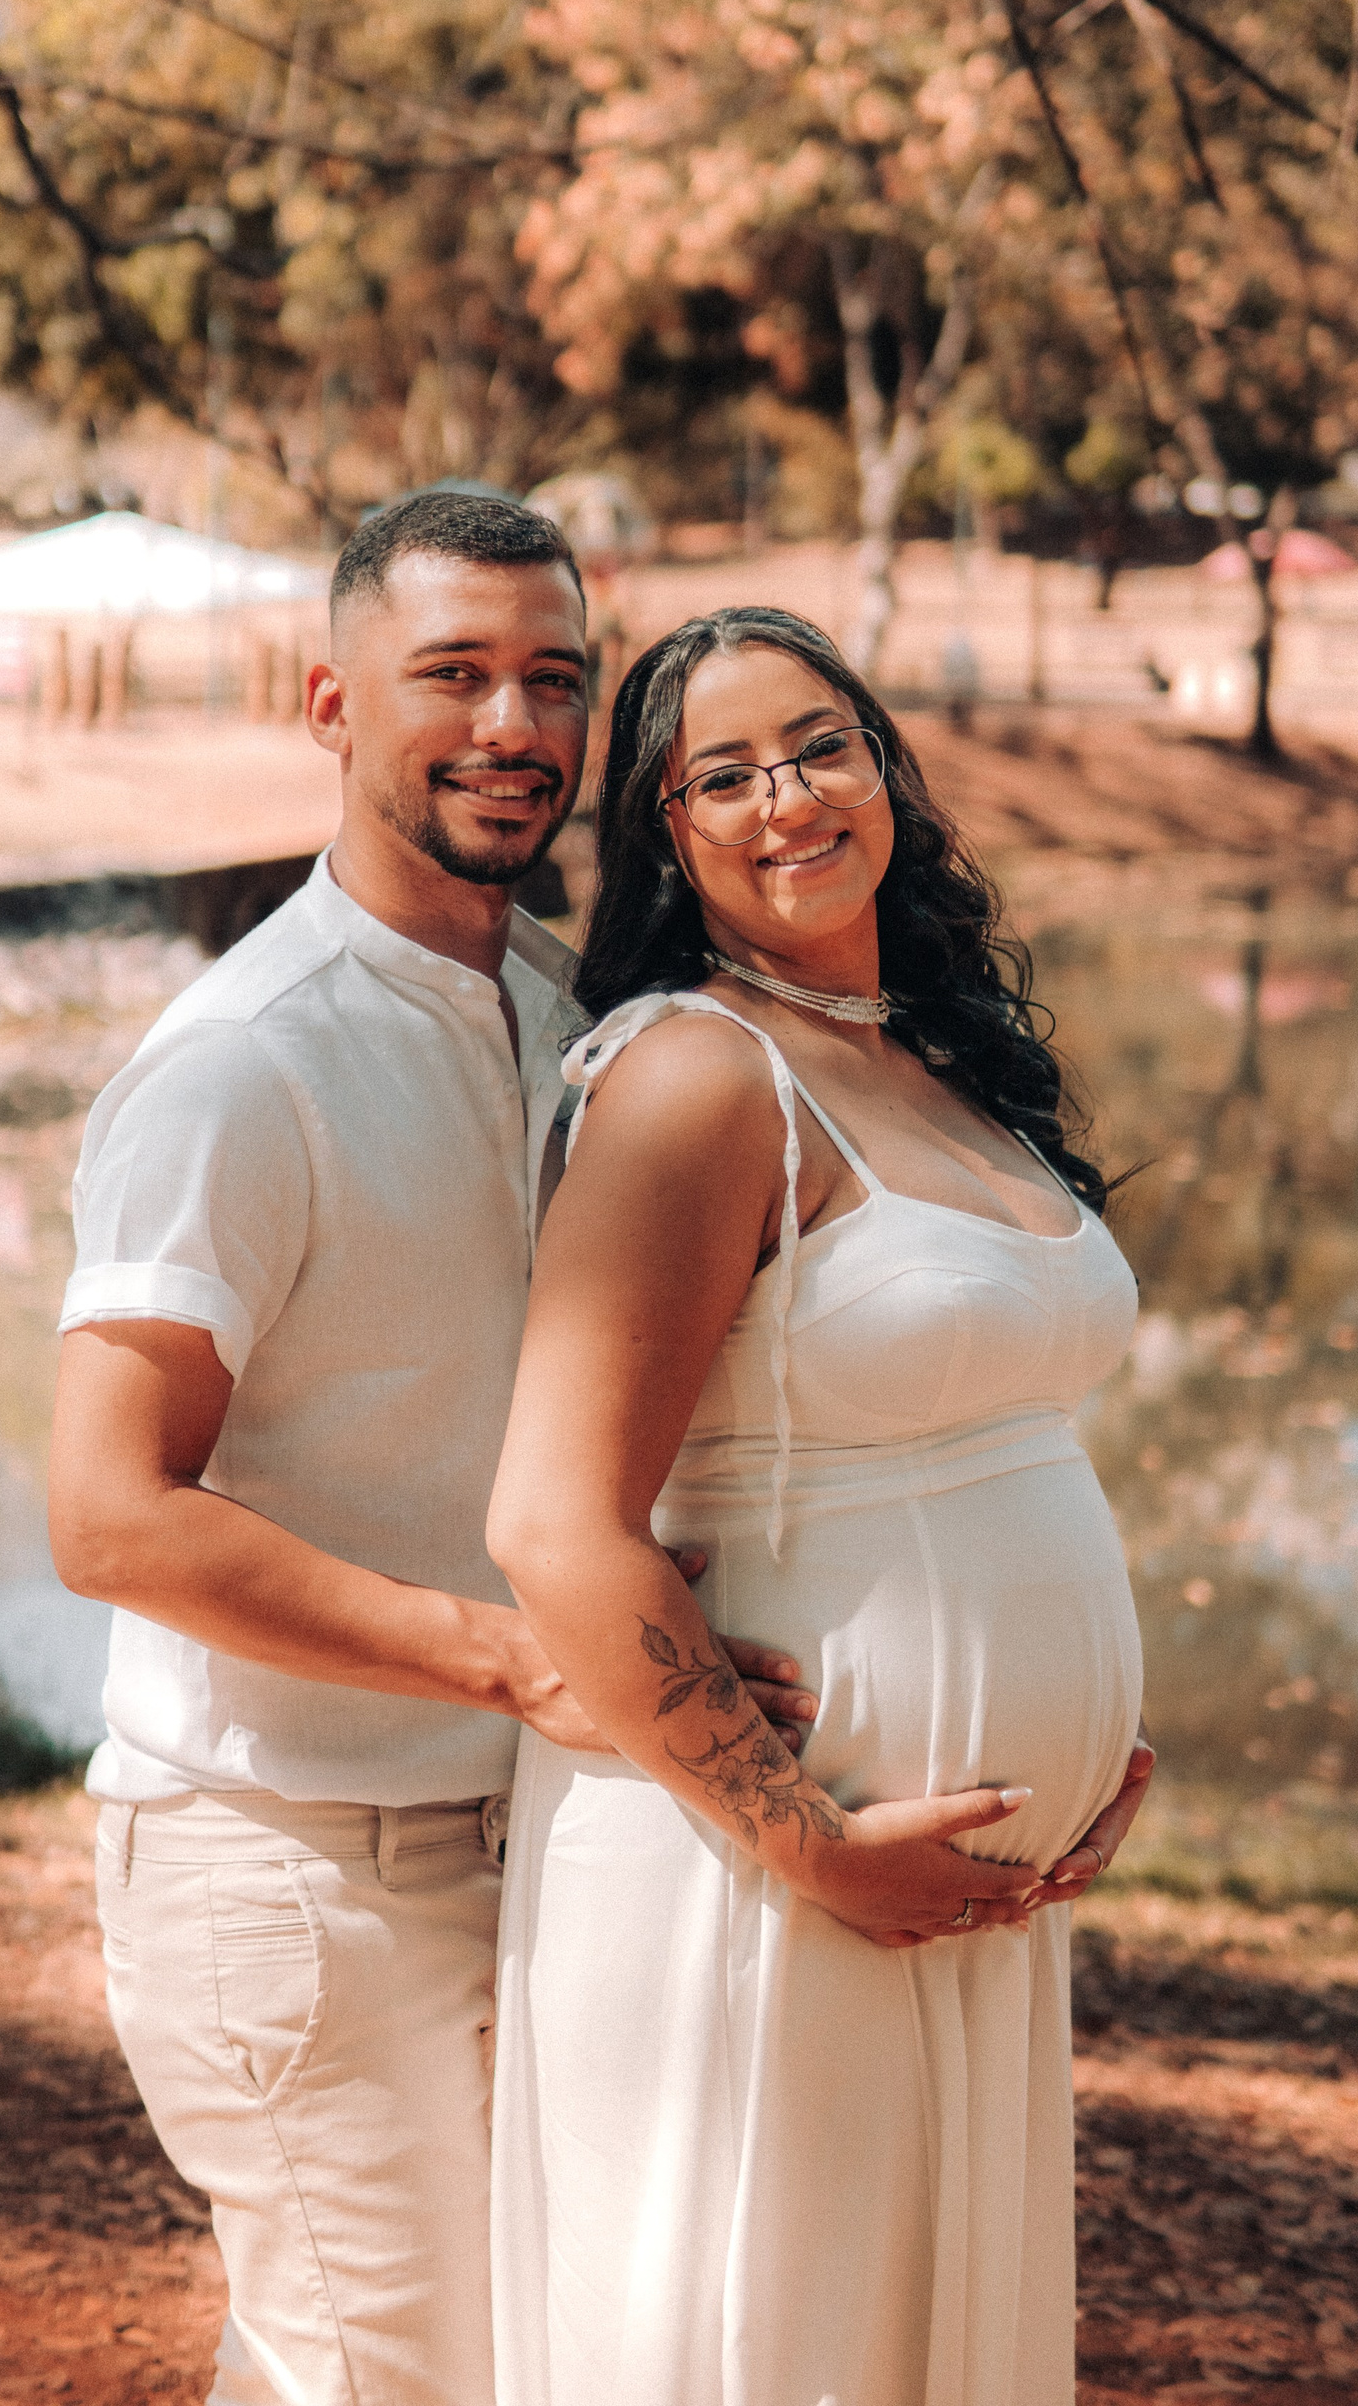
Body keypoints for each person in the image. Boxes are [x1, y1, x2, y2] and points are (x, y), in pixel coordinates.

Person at [47, 500, 817, 2406]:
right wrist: (513, 1658)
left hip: (538, 1846)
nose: (513, 726)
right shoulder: (240, 1064)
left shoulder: (579, 1021)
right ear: (332, 706)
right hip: (295, 1869)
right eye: (452, 676)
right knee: (384, 2376)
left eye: (555, 679)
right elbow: (108, 1516)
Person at [487, 604, 1156, 2406]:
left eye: (817, 745)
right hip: (773, 1878)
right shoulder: (699, 1077)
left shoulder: (936, 1059)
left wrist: (1090, 1729)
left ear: (884, 765)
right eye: (721, 777)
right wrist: (806, 1840)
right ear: (664, 838)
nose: (786, 798)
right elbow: (553, 1523)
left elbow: (993, 1437)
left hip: (955, 1887)